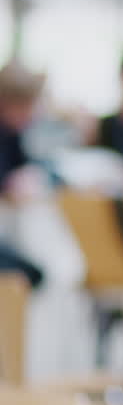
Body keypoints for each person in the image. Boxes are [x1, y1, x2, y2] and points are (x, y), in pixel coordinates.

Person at [0, 63, 47, 288]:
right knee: (32, 274)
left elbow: (26, 169)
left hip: (11, 223)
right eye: (26, 107)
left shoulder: (13, 134)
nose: (30, 114)